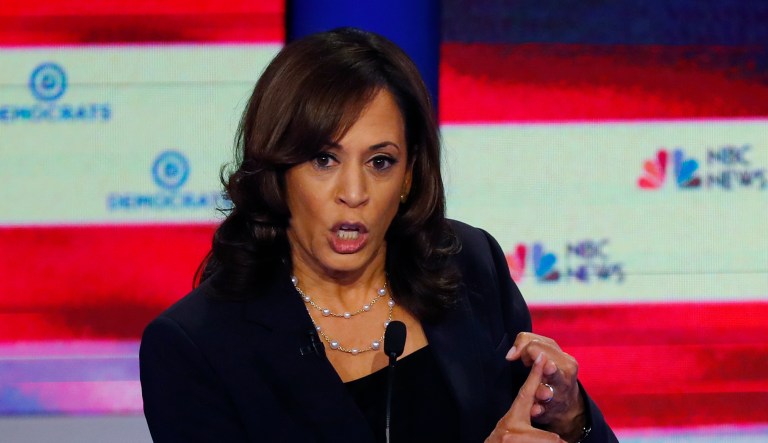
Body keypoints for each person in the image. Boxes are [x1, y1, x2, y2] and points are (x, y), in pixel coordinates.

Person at [140, 28, 618, 443]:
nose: (354, 192)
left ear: (409, 175)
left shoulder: (468, 265)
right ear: (277, 170)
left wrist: (571, 421)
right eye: (324, 160)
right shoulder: (195, 347)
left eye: (381, 162)